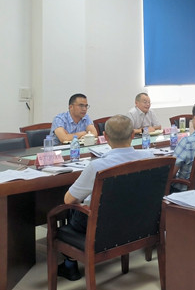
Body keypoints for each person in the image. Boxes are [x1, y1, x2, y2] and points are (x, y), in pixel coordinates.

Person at [58, 115, 153, 281]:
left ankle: (70, 263)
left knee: (73, 208)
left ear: (105, 137)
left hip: (102, 226)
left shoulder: (98, 166)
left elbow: (69, 200)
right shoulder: (149, 157)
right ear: (133, 135)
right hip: (137, 221)